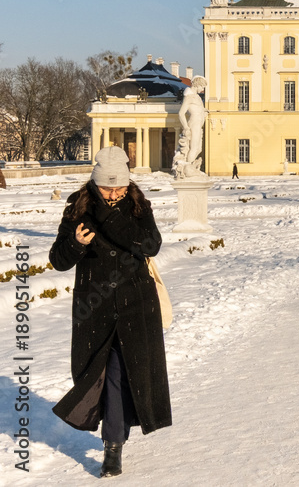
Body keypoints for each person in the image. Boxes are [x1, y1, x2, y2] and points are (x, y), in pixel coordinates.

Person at [48, 146, 171, 477]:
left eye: (119, 187)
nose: (115, 193)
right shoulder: (78, 208)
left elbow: (152, 245)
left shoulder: (136, 204)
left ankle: (112, 447)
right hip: (95, 305)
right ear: (94, 182)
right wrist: (75, 242)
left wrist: (112, 219)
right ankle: (115, 432)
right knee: (95, 373)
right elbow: (58, 260)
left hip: (136, 303)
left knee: (122, 372)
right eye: (107, 188)